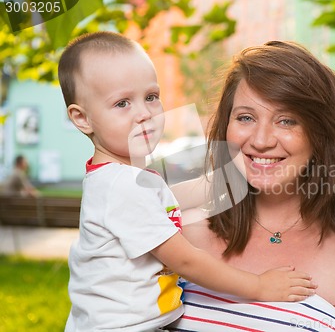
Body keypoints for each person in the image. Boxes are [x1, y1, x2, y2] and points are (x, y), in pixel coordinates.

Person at [58, 32, 316, 332]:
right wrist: (258, 286)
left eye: (151, 97)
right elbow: (186, 261)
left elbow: (177, 196)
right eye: (122, 103)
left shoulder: (120, 177)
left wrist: (249, 169)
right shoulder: (120, 186)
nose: (144, 114)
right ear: (82, 118)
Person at [168, 41, 335, 331]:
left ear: (320, 134)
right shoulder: (175, 235)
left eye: (286, 121)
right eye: (246, 117)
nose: (261, 140)